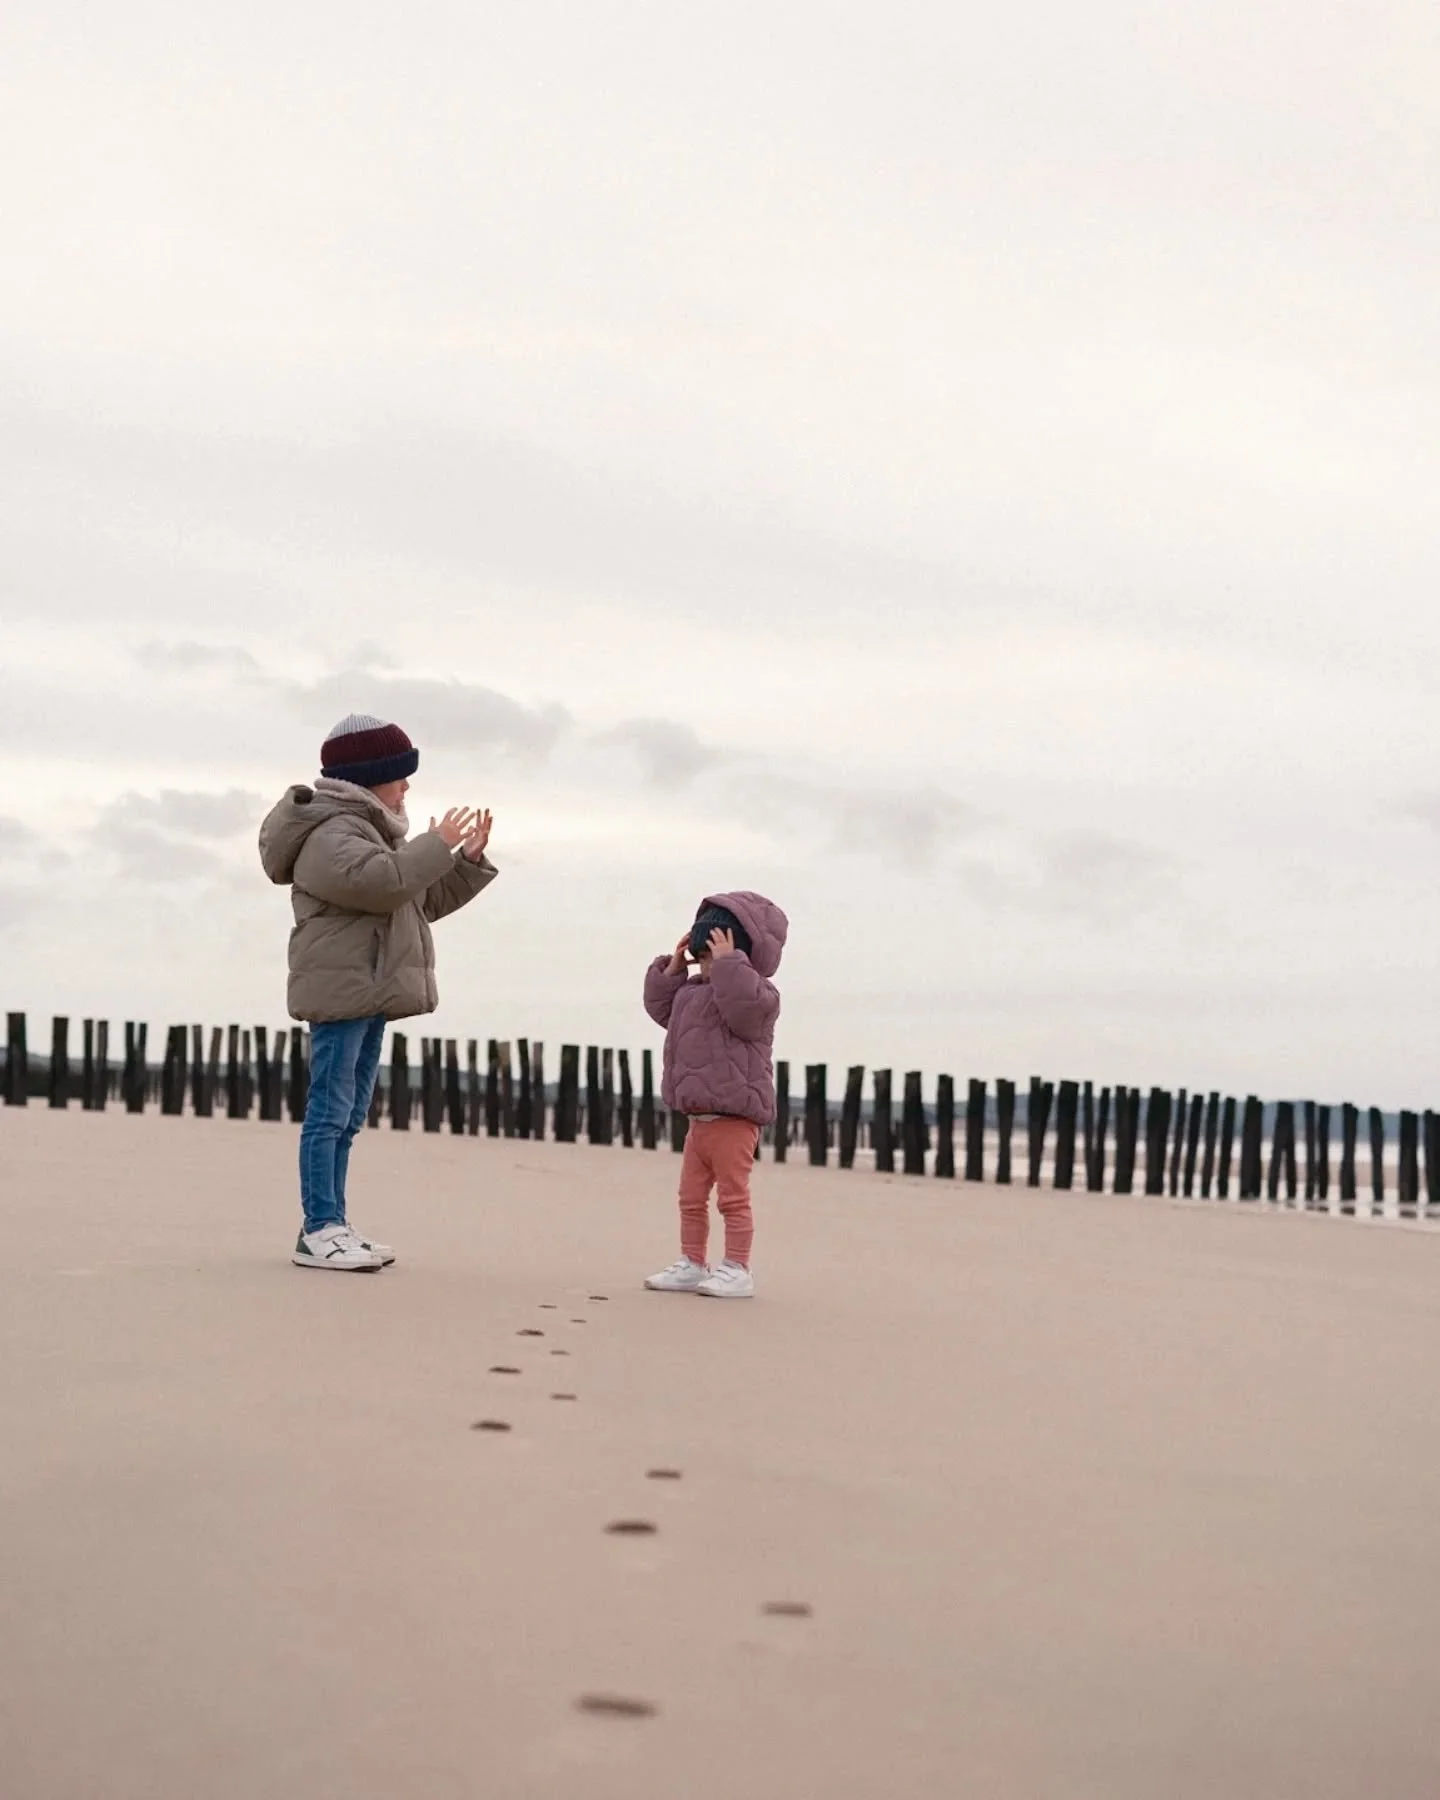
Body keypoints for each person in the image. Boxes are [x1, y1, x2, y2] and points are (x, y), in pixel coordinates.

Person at [258, 714, 497, 1271]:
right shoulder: (330, 833)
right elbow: (382, 884)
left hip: (368, 992)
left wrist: (467, 861)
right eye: (399, 776)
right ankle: (319, 1227)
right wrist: (434, 846)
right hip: (343, 990)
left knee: (349, 1114)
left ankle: (333, 1223)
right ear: (371, 777)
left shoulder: (369, 834)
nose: (407, 787)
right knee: (329, 1112)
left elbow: (416, 902)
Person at [642, 891, 788, 1298]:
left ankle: (738, 1268)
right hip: (698, 1122)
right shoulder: (689, 995)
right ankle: (692, 1261)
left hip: (734, 1121)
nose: (705, 968)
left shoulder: (759, 998)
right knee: (690, 1197)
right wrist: (671, 968)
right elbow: (659, 1009)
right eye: (702, 958)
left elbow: (742, 1005)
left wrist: (728, 966)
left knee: (732, 1198)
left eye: (714, 958)